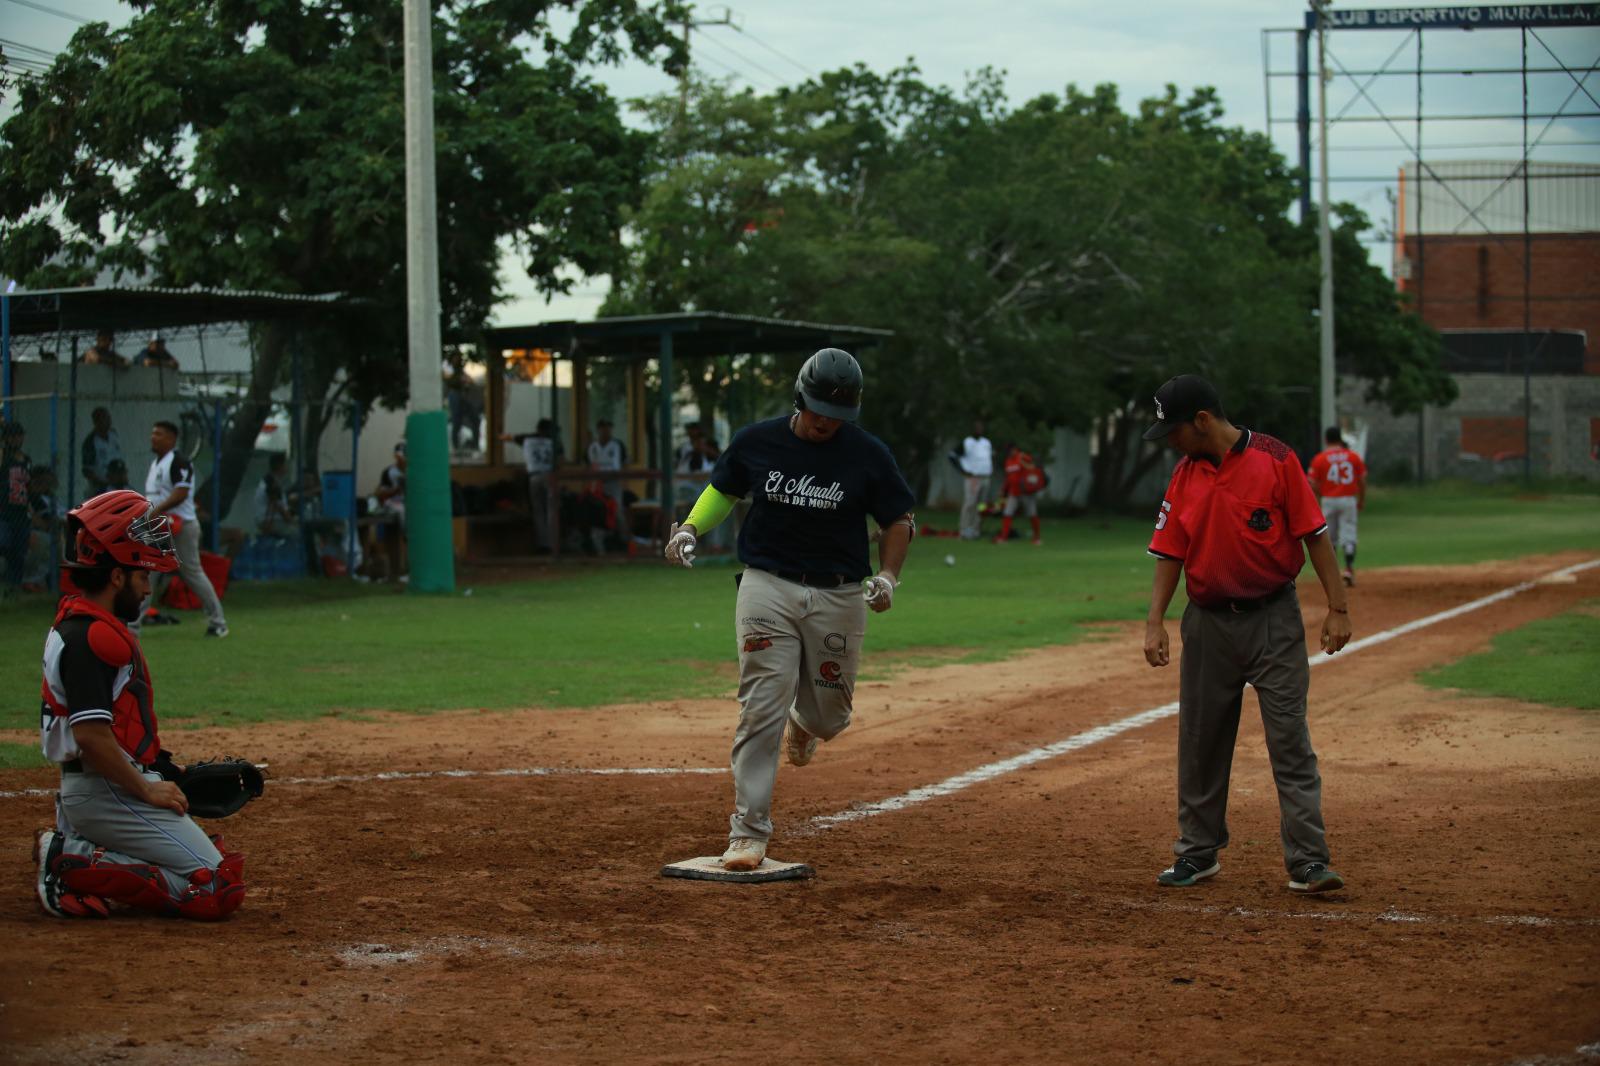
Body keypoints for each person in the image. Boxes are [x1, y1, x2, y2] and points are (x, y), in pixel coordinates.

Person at [663, 348, 917, 871]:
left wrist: (889, 577)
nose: (826, 422)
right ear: (800, 399)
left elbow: (898, 518)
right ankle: (747, 833)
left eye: (838, 415)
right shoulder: (757, 441)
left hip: (838, 593)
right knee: (760, 706)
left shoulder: (867, 454)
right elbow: (723, 491)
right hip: (767, 586)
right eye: (819, 410)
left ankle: (805, 723)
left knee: (831, 716)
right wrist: (689, 528)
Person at [1141, 374, 1351, 894]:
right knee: (1201, 742)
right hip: (1207, 623)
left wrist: (1337, 608)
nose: (1170, 443)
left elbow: (1315, 536)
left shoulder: (1277, 460)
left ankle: (1308, 860)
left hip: (1272, 620)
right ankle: (1197, 852)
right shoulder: (1184, 475)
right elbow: (1169, 550)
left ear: (1202, 421)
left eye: (1174, 431)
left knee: (1289, 741)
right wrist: (1155, 621)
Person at [32, 489, 247, 920]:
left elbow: (117, 724)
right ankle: (70, 860)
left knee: (209, 858)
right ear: (116, 577)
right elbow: (91, 735)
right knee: (215, 886)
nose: (148, 589)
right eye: (142, 576)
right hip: (105, 792)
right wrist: (146, 788)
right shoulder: (93, 637)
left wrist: (166, 772)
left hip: (103, 785)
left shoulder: (81, 623)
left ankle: (83, 850)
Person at [138, 420, 228, 638]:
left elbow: (181, 493)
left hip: (181, 526)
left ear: (171, 439)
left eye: (159, 434)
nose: (153, 437)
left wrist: (155, 511)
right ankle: (132, 625)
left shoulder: (179, 462)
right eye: (153, 433)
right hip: (160, 524)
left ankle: (218, 622)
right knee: (147, 570)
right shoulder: (156, 463)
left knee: (191, 573)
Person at [1307, 426, 1367, 587]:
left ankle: (1332, 574)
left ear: (1326, 439)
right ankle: (1348, 569)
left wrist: (1321, 493)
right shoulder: (1353, 456)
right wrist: (1361, 499)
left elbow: (1311, 481)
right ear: (1340, 439)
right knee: (1349, 534)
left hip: (1329, 500)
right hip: (1348, 499)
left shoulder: (1320, 458)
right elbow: (1362, 479)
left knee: (1329, 537)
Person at [501, 418, 562, 552]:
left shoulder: (527, 439)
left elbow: (505, 437)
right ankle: (553, 543)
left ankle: (543, 544)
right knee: (551, 510)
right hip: (549, 476)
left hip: (533, 477)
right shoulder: (554, 441)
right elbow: (560, 461)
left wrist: (499, 434)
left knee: (538, 511)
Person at [992, 442, 1045, 545]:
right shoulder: (1008, 461)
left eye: (1011, 450)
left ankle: (1037, 537)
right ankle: (1004, 537)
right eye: (1008, 451)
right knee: (1007, 513)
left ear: (1015, 449)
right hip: (1013, 492)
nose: (1010, 452)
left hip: (1026, 491)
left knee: (1032, 514)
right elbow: (1008, 478)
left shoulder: (1022, 457)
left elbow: (1033, 467)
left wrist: (1022, 462)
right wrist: (1003, 490)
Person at [586, 418, 627, 550]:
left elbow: (623, 464)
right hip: (597, 484)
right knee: (597, 511)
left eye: (608, 428)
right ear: (598, 430)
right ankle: (598, 544)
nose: (605, 431)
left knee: (617, 510)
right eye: (602, 428)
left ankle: (624, 541)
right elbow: (589, 465)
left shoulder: (617, 445)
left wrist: (623, 482)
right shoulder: (592, 446)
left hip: (613, 482)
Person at [2, 421, 33, 591]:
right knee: (5, 547)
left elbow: (29, 486)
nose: (16, 439)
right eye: (12, 436)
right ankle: (5, 584)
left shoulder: (26, 460)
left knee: (19, 553)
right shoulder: (3, 458)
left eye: (19, 436)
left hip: (21, 512)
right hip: (4, 512)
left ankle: (14, 588)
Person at [370, 442, 408, 581]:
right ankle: (407, 535)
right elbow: (379, 494)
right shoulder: (389, 472)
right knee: (401, 511)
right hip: (393, 504)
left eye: (403, 456)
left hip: (409, 504)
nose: (401, 459)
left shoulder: (415, 471)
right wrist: (395, 490)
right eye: (399, 456)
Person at [956, 419, 993, 540]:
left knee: (981, 505)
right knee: (970, 503)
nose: (979, 429)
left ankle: (976, 529)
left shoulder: (986, 442)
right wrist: (965, 472)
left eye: (981, 427)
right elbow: (953, 456)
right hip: (973, 478)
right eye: (977, 427)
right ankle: (964, 529)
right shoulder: (967, 442)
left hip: (985, 478)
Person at [80, 407, 124, 500]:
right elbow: (87, 471)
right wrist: (103, 483)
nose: (109, 422)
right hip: (99, 488)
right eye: (105, 419)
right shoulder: (90, 442)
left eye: (109, 419)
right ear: (97, 422)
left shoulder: (113, 435)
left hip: (116, 485)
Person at [254, 454, 296, 538]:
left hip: (264, 519)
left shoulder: (267, 480)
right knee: (299, 533)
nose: (286, 467)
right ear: (279, 466)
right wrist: (292, 522)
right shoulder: (272, 484)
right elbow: (278, 507)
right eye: (285, 464)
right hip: (270, 522)